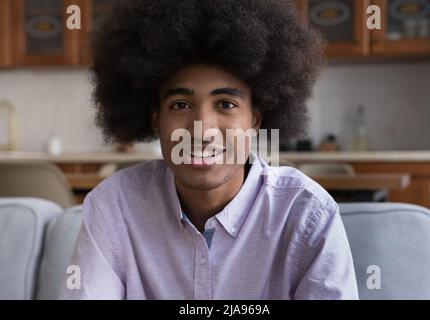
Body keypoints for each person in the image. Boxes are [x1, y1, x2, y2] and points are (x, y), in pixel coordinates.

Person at [59, 0, 358, 300]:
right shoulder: (114, 208)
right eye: (180, 105)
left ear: (255, 119)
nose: (201, 128)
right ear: (155, 120)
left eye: (226, 104)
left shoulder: (307, 215)